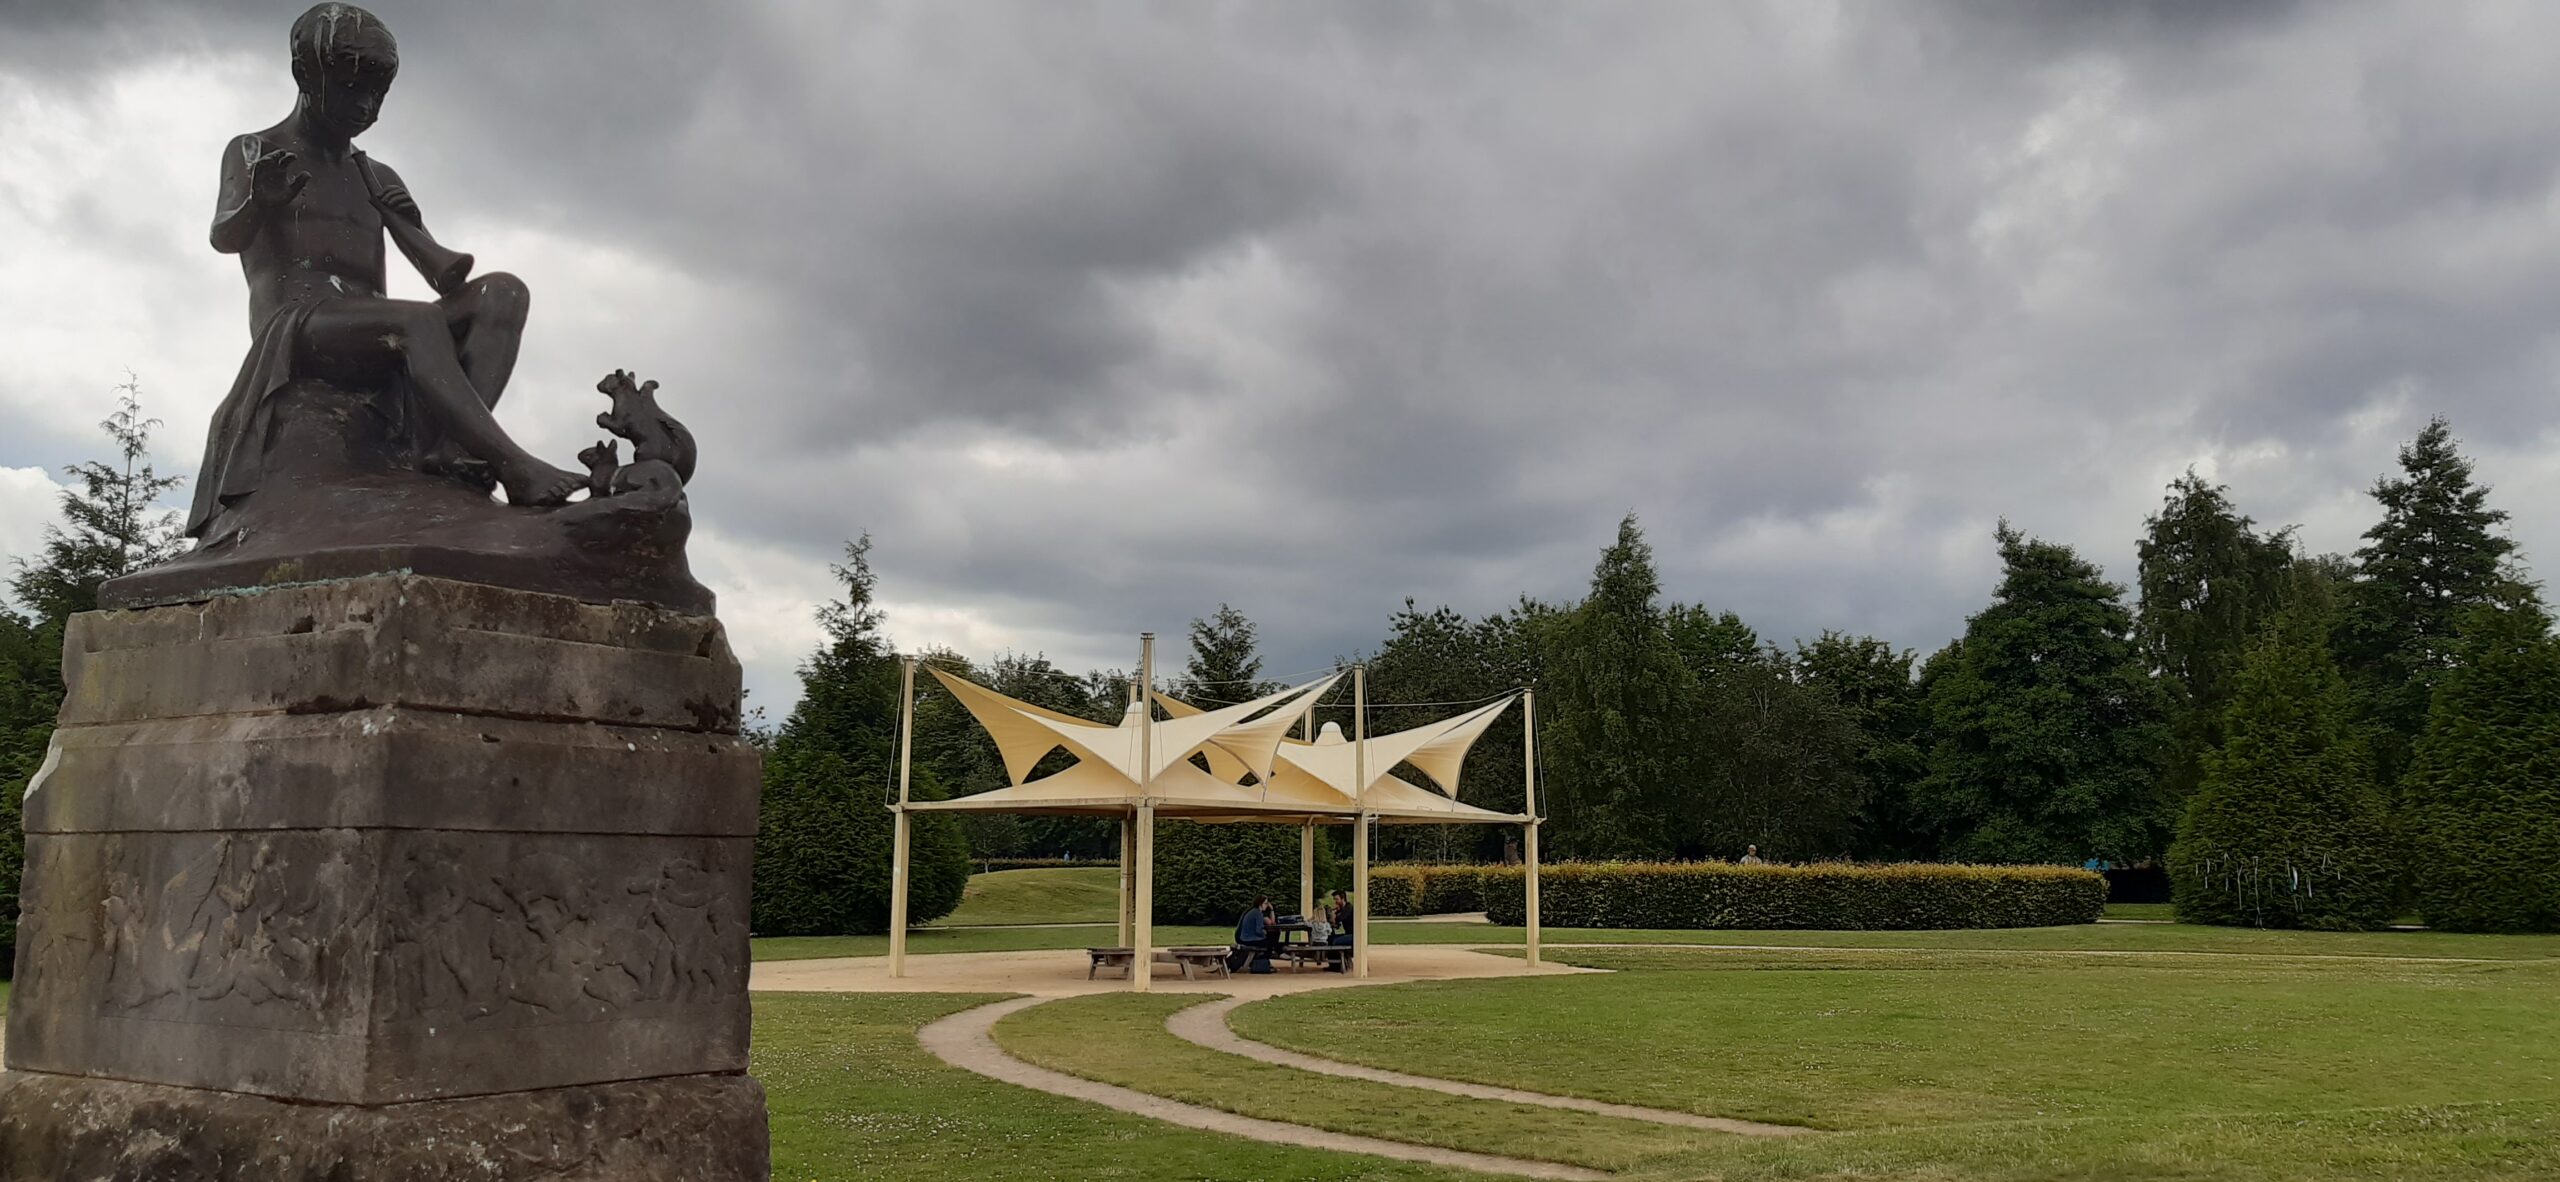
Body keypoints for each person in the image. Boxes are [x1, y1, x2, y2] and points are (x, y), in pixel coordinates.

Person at [195, 3, 584, 544]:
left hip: (376, 325)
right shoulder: (257, 151)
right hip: (298, 327)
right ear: (307, 74)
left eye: (377, 95)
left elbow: (442, 277)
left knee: (503, 292)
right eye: (353, 89)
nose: (366, 107)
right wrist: (258, 202)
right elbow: (224, 237)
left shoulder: (373, 172)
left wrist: (407, 226)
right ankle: (513, 463)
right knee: (417, 323)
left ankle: (448, 449)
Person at [1228, 896, 1279, 974]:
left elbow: (1271, 923)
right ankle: (1263, 960)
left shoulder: (1254, 911)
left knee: (1271, 940)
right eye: (1265, 903)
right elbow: (1259, 930)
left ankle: (1268, 957)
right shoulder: (1257, 913)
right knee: (1271, 942)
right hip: (1249, 939)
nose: (1267, 905)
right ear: (1260, 904)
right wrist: (1264, 933)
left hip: (1245, 937)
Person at [1323, 889, 1353, 972]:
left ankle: (1338, 966)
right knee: (1329, 939)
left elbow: (1339, 919)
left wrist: (1334, 915)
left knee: (1335, 941)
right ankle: (1333, 965)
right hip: (1348, 934)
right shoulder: (1341, 909)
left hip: (1354, 936)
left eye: (1337, 899)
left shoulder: (1348, 908)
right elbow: (1336, 925)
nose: (1335, 902)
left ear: (1343, 899)